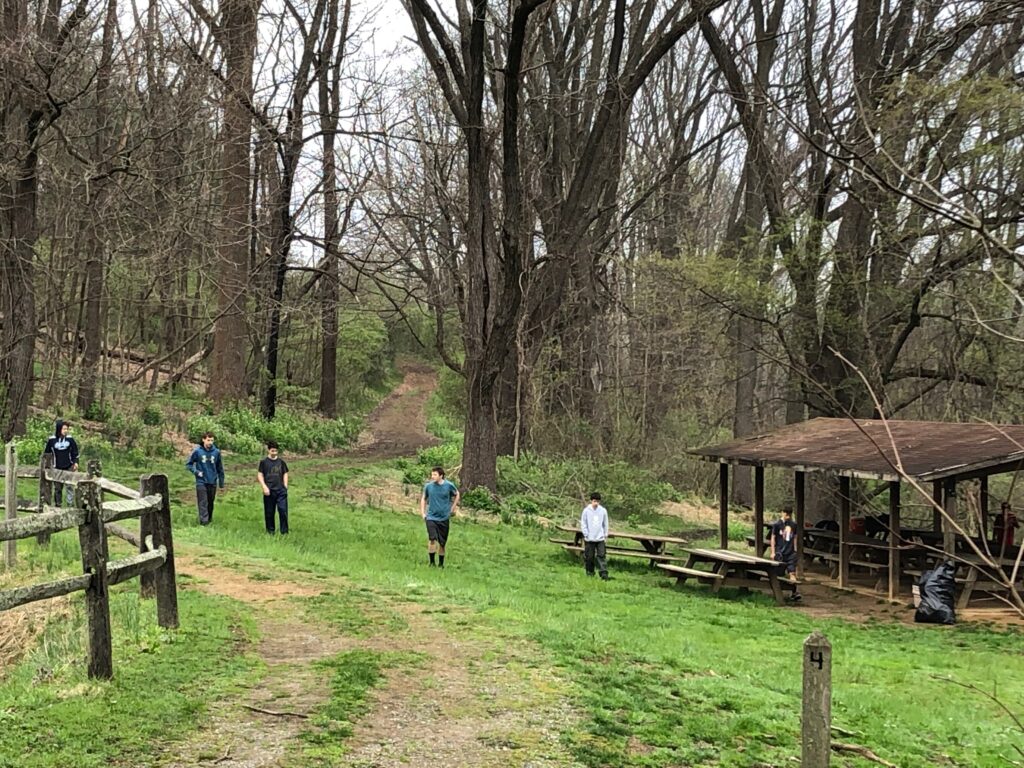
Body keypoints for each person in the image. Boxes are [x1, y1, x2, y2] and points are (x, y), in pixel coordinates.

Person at [420, 466, 459, 567]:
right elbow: (424, 498)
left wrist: (453, 508)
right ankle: (431, 562)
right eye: (432, 474)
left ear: (441, 475)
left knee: (442, 543)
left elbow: (457, 494)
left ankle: (441, 564)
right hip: (431, 517)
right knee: (432, 538)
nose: (432, 476)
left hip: (444, 518)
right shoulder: (428, 486)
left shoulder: (449, 485)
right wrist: (423, 513)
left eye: (435, 475)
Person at [185, 432, 224, 525]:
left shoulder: (216, 452)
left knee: (210, 502)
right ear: (203, 440)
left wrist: (221, 482)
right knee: (203, 502)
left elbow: (220, 468)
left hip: (212, 481)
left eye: (212, 440)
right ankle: (204, 522)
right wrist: (196, 472)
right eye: (208, 440)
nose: (210, 442)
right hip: (201, 481)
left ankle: (209, 519)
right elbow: (189, 464)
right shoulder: (198, 451)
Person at [43, 419, 79, 506]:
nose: (66, 431)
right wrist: (48, 465)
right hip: (56, 467)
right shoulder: (52, 440)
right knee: (58, 488)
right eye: (64, 429)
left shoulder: (70, 440)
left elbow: (75, 452)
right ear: (59, 429)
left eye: (67, 429)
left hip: (69, 466)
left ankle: (70, 505)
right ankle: (58, 505)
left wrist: (76, 463)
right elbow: (47, 453)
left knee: (70, 486)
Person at [770, 507, 801, 602]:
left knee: (792, 572)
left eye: (789, 514)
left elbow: (795, 537)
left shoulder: (794, 525)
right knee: (778, 573)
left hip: (790, 552)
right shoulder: (777, 525)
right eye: (786, 514)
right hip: (780, 552)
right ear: (782, 513)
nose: (787, 516)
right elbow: (773, 538)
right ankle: (778, 592)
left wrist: (795, 550)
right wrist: (772, 552)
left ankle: (794, 592)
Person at [258, 441, 289, 534]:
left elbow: (285, 473)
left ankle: (284, 531)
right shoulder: (264, 462)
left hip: (281, 491)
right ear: (268, 450)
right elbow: (260, 475)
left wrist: (285, 485)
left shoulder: (281, 462)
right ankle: (270, 532)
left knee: (283, 511)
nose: (274, 453)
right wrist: (264, 487)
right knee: (269, 513)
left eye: (276, 451)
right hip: (269, 491)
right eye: (272, 451)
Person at [580, 492, 609, 580]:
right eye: (594, 501)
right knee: (589, 557)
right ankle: (590, 572)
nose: (596, 503)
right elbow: (583, 523)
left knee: (601, 556)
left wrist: (605, 535)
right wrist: (586, 534)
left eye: (598, 501)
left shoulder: (603, 511)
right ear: (591, 501)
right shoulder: (586, 511)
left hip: (599, 538)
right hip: (589, 538)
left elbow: (605, 523)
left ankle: (603, 574)